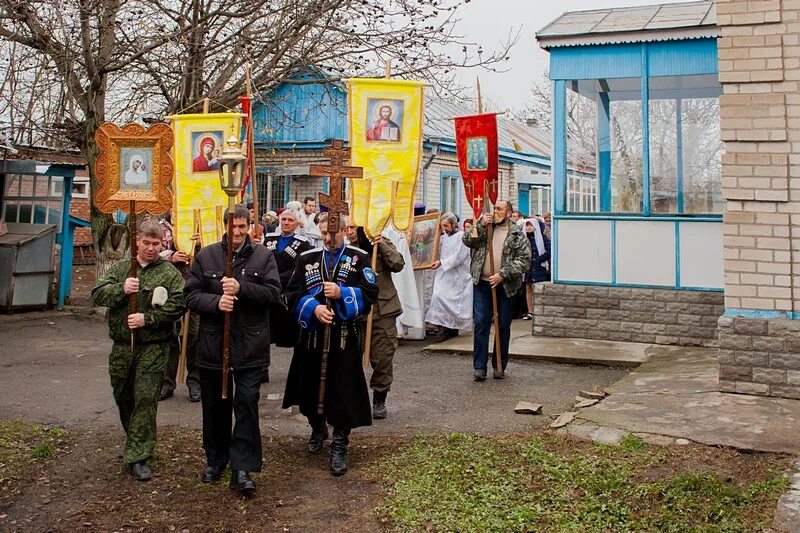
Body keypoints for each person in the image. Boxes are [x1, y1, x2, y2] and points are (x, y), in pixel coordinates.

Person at [184, 204, 281, 496]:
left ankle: (243, 467)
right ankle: (216, 458)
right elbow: (190, 295)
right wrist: (215, 303)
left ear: (250, 226)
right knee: (215, 405)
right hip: (214, 345)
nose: (237, 233)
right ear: (225, 226)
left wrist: (241, 288)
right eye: (232, 227)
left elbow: (274, 294)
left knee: (247, 404)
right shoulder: (207, 255)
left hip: (250, 345)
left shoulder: (263, 256)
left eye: (242, 227)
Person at [282, 213, 378, 476]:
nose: (327, 238)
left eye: (332, 233)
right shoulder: (307, 258)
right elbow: (291, 294)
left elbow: (371, 294)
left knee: (343, 390)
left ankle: (339, 444)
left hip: (344, 337)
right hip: (312, 337)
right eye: (323, 233)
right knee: (309, 386)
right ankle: (317, 426)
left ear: (345, 230)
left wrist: (343, 293)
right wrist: (312, 308)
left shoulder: (359, 257)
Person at [91, 218, 185, 481]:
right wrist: (121, 290)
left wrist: (148, 319)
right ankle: (138, 438)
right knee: (124, 397)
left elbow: (178, 305)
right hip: (122, 346)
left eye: (156, 244)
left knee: (145, 398)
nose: (151, 248)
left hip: (153, 347)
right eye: (147, 243)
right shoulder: (123, 269)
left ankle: (138, 455)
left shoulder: (168, 273)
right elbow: (98, 294)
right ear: (138, 242)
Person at [462, 200, 531, 380]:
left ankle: (499, 364)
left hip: (505, 286)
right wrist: (480, 224)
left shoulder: (516, 234)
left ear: (509, 213)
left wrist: (503, 274)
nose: (495, 212)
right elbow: (467, 241)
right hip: (482, 284)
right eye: (494, 208)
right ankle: (479, 367)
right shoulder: (486, 227)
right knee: (482, 323)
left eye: (499, 209)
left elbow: (524, 260)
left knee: (502, 326)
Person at [353, 226, 404, 419]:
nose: (351, 231)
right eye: (348, 227)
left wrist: (380, 244)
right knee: (348, 359)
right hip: (354, 312)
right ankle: (351, 400)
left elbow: (398, 264)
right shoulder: (346, 247)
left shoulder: (380, 242)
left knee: (383, 357)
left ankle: (379, 398)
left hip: (382, 310)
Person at [157, 216, 201, 402]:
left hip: (195, 287)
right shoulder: (161, 227)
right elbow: (150, 251)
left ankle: (195, 382)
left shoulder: (199, 222)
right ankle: (167, 383)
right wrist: (171, 256)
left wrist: (200, 246)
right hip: (169, 289)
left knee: (194, 335)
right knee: (170, 336)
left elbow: (216, 250)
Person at [263, 209, 312, 356]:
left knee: (291, 331)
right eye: (284, 219)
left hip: (287, 291)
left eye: (290, 220)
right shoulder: (269, 238)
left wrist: (276, 279)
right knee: (264, 331)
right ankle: (262, 367)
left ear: (297, 223)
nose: (286, 223)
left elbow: (297, 268)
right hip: (268, 289)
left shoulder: (303, 243)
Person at [425, 212, 472, 339]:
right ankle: (443, 325)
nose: (444, 229)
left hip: (458, 275)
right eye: (442, 226)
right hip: (444, 273)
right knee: (438, 296)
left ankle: (452, 328)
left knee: (454, 303)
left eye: (446, 225)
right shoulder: (443, 237)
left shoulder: (462, 236)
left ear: (453, 224)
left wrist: (442, 262)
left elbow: (460, 256)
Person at [522, 218, 551, 321]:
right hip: (528, 267)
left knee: (537, 289)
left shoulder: (542, 238)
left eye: (531, 225)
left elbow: (549, 250)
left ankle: (539, 310)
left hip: (538, 267)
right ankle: (530, 311)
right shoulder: (524, 239)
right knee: (528, 288)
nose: (529, 228)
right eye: (527, 225)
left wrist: (539, 259)